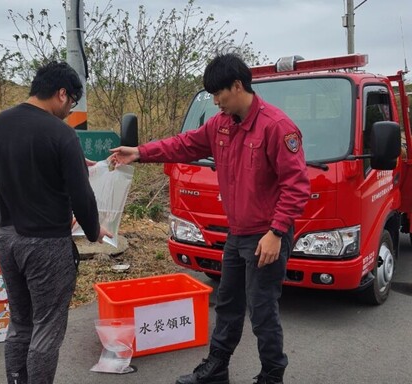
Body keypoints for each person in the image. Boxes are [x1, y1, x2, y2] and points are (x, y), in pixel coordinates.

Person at [109, 53, 310, 384]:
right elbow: (184, 145)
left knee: (262, 313)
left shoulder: (276, 127)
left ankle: (272, 376)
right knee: (228, 304)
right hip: (237, 233)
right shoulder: (221, 125)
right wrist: (140, 152)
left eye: (219, 94)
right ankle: (217, 368)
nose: (216, 102)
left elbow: (297, 185)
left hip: (266, 237)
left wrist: (276, 232)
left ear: (237, 85)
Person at [0, 61, 112, 384]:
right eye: (71, 102)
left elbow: (26, 167)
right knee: (46, 327)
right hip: (45, 245)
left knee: (20, 323)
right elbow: (82, 196)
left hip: (6, 237)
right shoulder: (61, 133)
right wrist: (94, 230)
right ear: (61, 94)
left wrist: (71, 160)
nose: (70, 110)